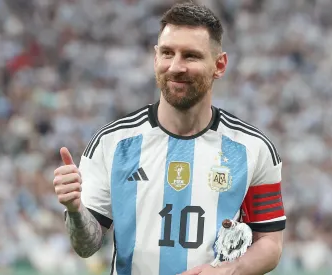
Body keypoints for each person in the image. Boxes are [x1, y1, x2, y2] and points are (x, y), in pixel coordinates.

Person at [52, 2, 286, 275]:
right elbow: (86, 246)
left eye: (190, 56)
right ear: (155, 58)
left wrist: (229, 271)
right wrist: (76, 210)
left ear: (219, 65)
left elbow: (270, 242)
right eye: (167, 53)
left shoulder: (253, 149)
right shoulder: (112, 143)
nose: (176, 66)